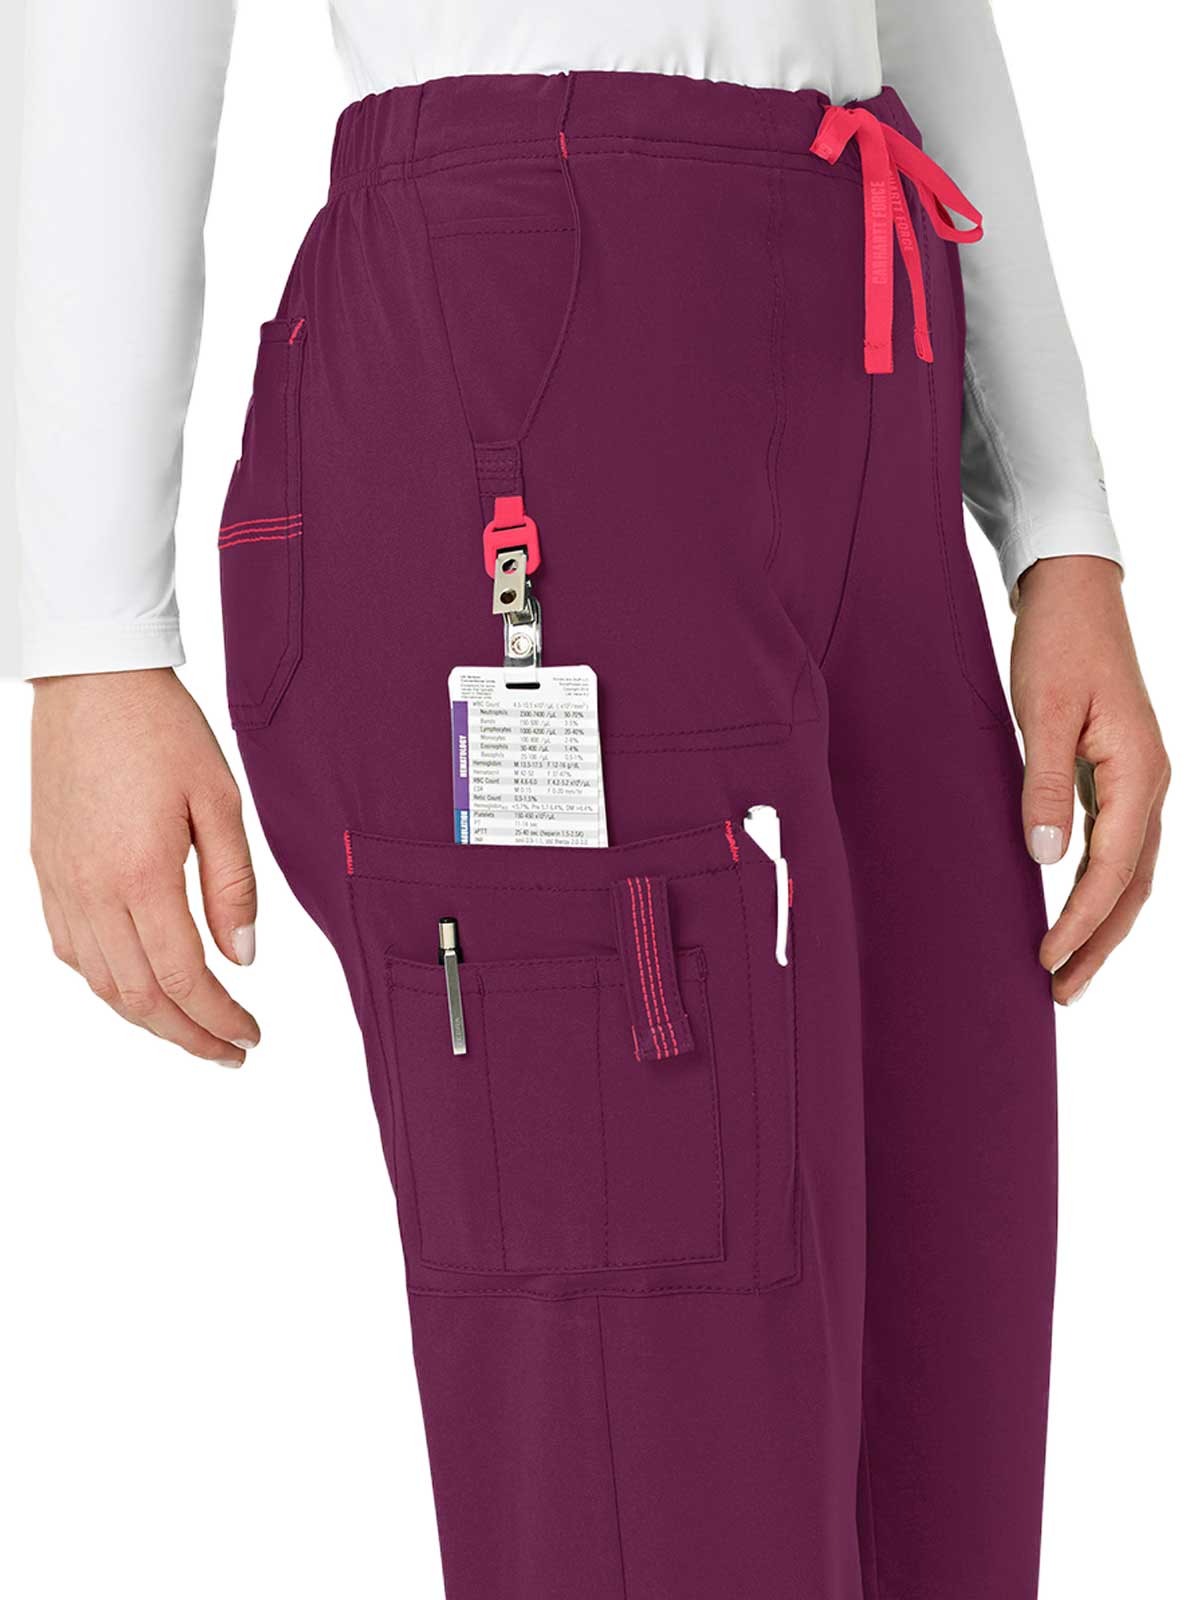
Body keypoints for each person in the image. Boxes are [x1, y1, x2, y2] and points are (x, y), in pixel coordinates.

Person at [17, 4, 1169, 1598]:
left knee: (942, 1389)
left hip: (874, 325)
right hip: (535, 338)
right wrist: (88, 641)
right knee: (662, 1417)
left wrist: (1059, 528)